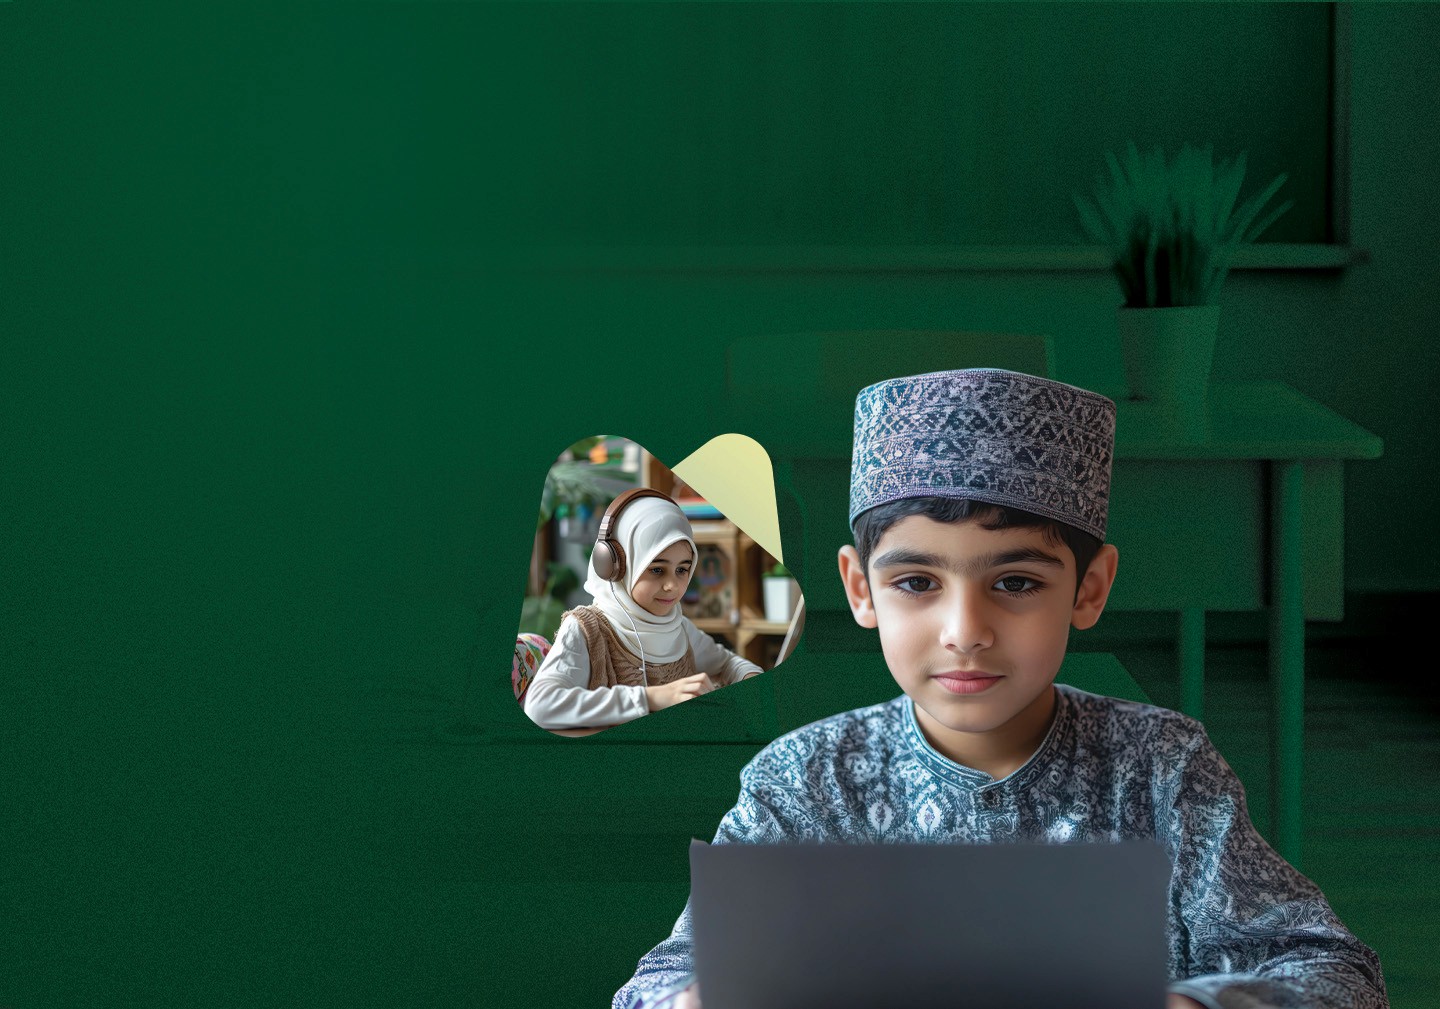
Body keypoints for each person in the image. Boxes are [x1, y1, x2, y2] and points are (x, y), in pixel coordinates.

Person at [613, 369, 1387, 1009]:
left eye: (1015, 581)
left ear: (1089, 589)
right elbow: (651, 988)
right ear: (860, 589)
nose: (965, 628)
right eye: (916, 581)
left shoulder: (1161, 771)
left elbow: (1341, 977)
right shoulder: (805, 783)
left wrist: (1197, 1005)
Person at [523, 489, 762, 731]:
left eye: (682, 570)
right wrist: (651, 698)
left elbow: (727, 664)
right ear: (615, 566)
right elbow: (539, 705)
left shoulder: (679, 628)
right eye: (657, 570)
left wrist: (749, 678)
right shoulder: (585, 629)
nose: (673, 586)